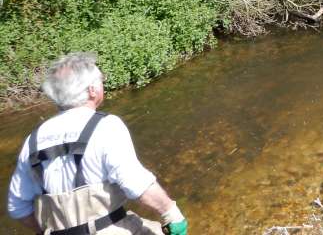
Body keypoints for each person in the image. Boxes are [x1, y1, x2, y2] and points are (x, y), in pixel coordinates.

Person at [7, 52, 188, 235]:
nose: (104, 83)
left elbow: (17, 207)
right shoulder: (106, 126)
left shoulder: (33, 140)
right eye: (101, 79)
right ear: (92, 90)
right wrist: (172, 214)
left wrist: (45, 231)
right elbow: (137, 184)